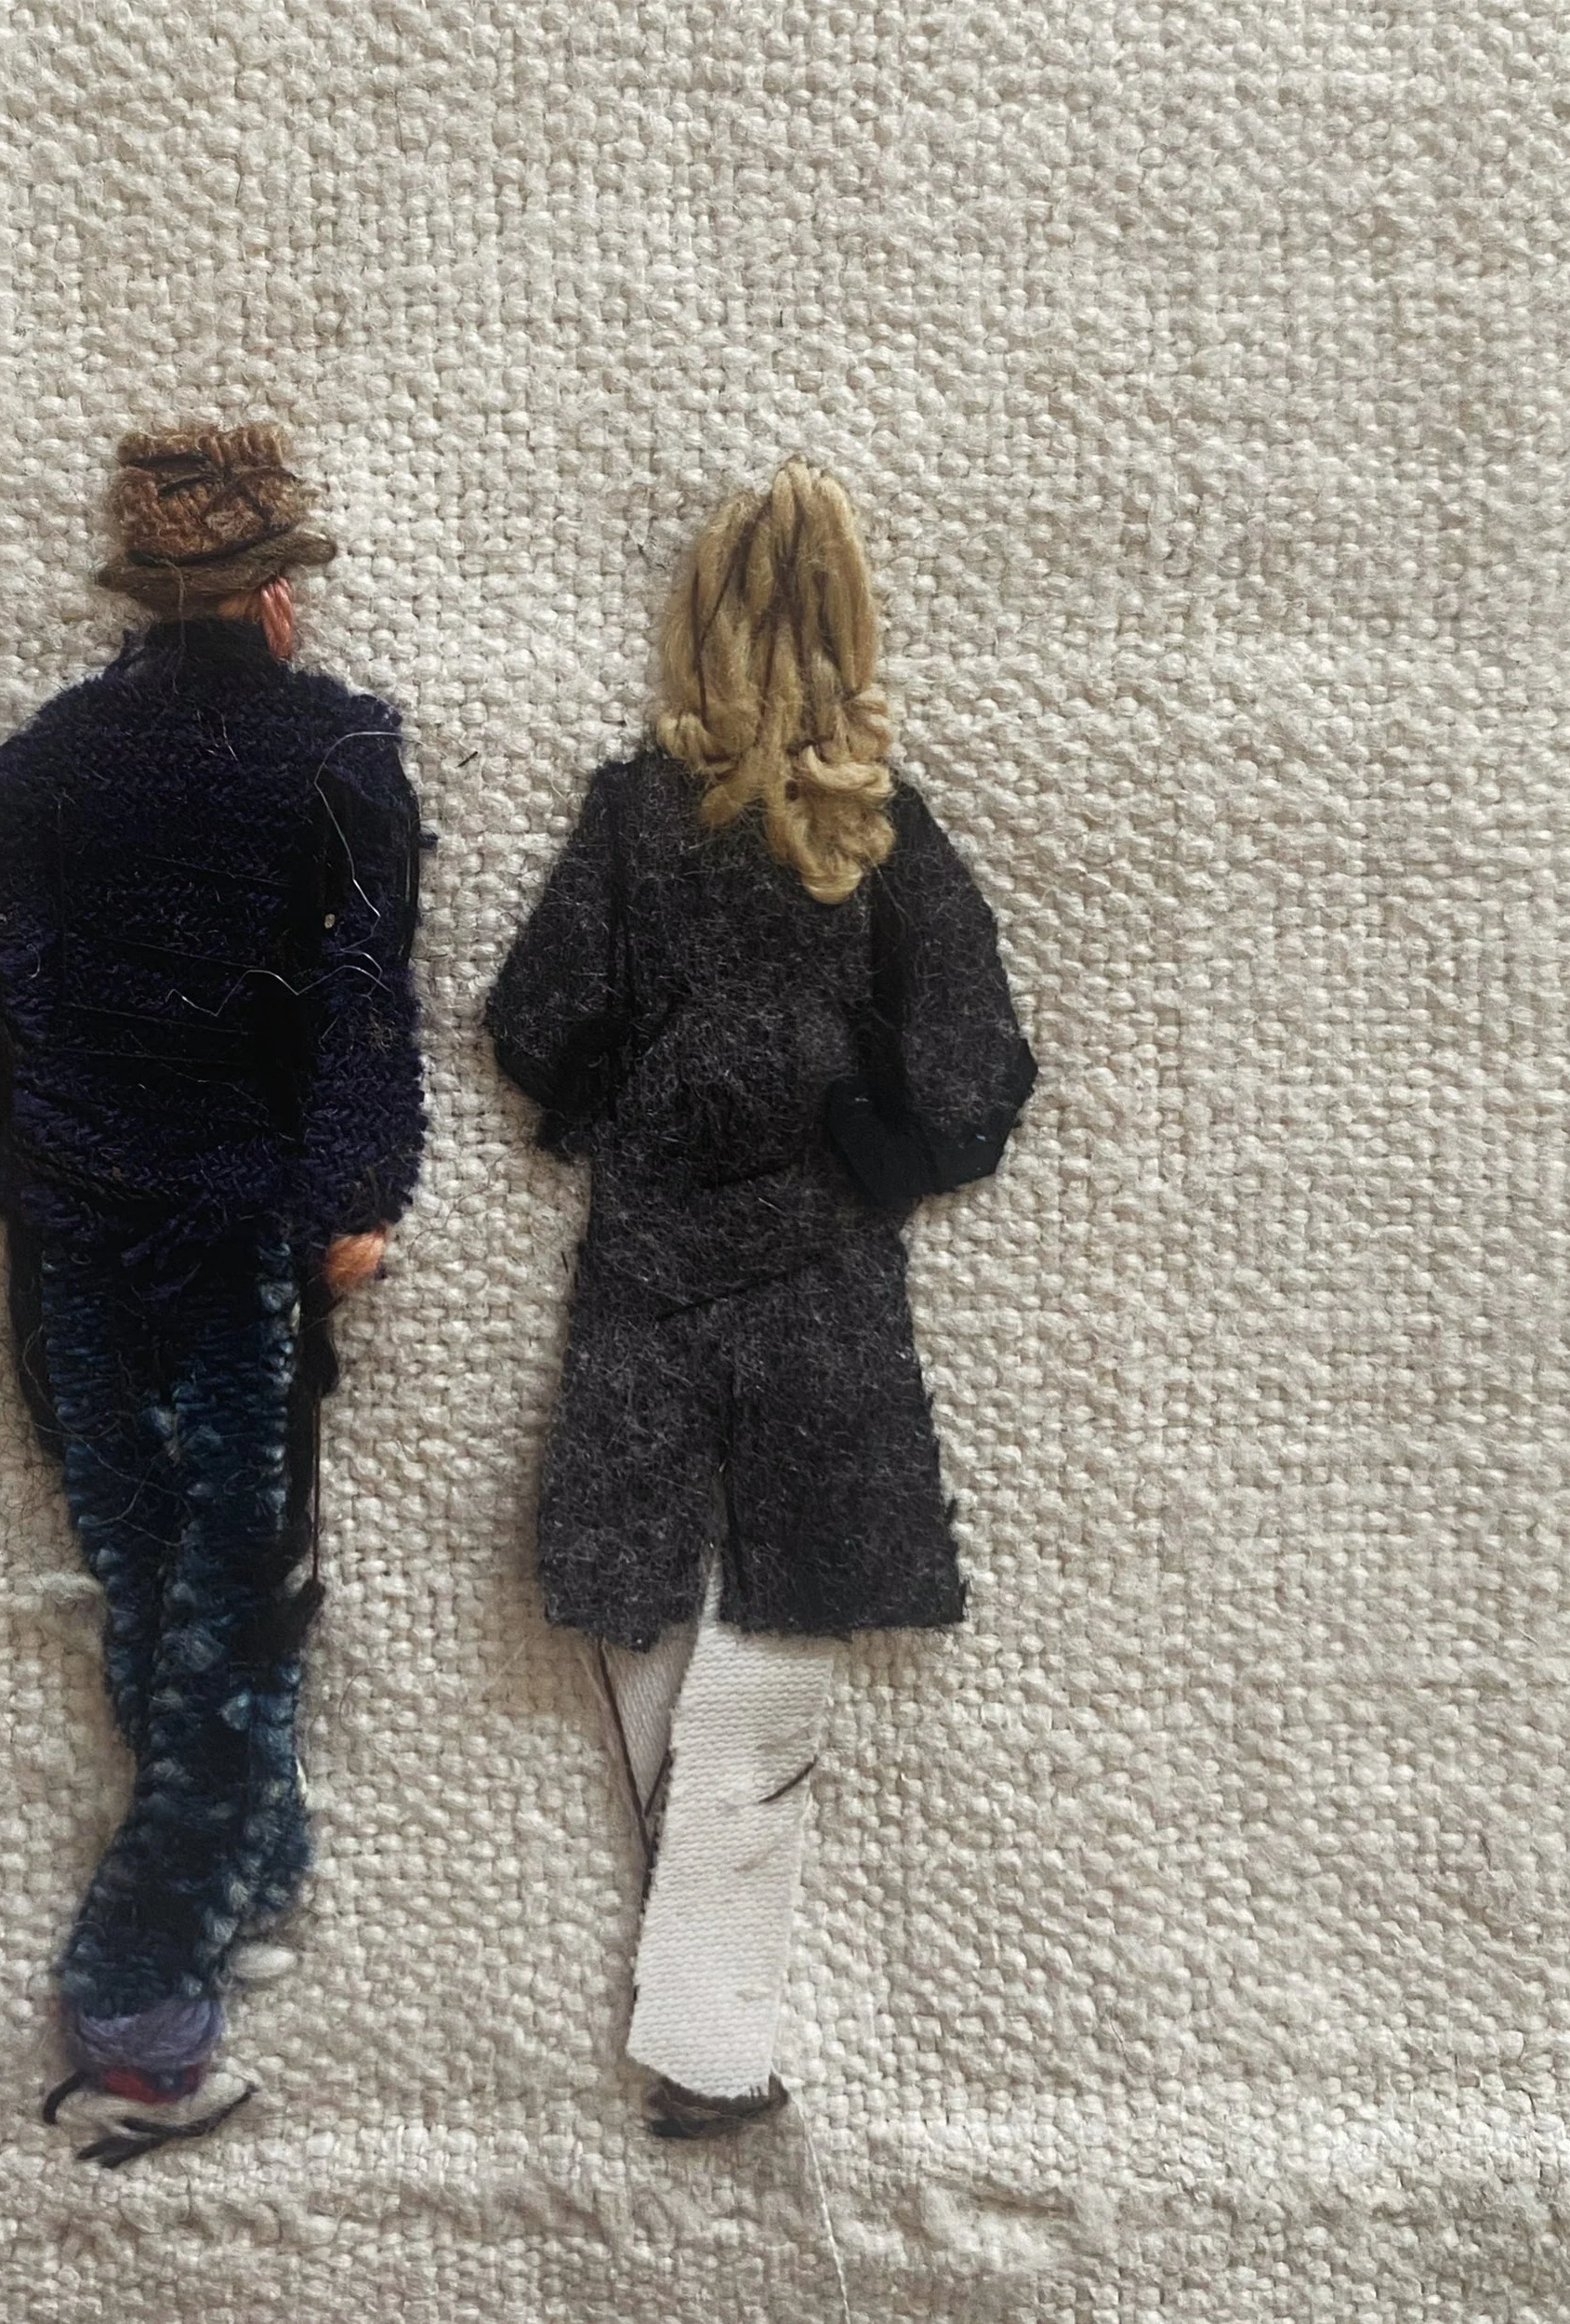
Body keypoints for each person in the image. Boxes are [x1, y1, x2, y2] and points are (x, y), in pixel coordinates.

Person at [486, 460, 1035, 2136]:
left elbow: (532, 1024)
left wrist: (604, 1107)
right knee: (788, 1607)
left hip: (650, 1254)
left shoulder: (632, 819)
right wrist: (873, 1146)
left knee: (640, 1589)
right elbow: (979, 1071)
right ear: (854, 633)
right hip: (822, 1273)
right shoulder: (883, 832)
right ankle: (710, 2037)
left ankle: (708, 2036)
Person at [0, 424, 424, 2161]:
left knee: (150, 1580)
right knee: (241, 1600)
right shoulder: (339, 754)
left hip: (73, 1236)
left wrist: (28, 1171)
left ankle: (251, 1878)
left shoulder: (32, 770)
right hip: (234, 1247)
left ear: (144, 601)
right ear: (280, 596)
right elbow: (364, 1000)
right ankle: (137, 2007)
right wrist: (354, 1195)